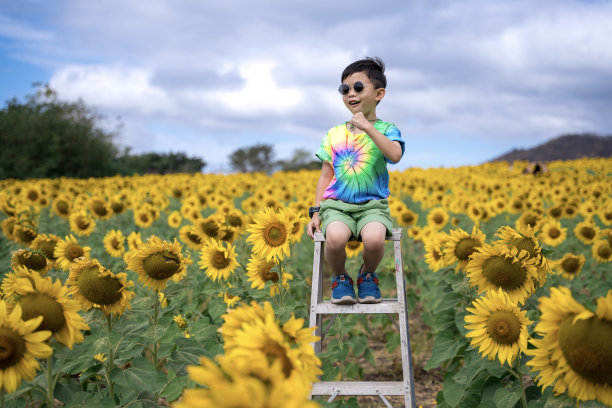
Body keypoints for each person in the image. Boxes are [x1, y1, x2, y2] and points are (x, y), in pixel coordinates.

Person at [306, 57, 405, 304]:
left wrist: (368, 128)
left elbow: (394, 155)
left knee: (373, 239)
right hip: (337, 205)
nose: (351, 93)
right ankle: (340, 278)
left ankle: (367, 275)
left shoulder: (387, 129)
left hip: (373, 206)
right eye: (345, 89)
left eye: (358, 87)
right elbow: (325, 176)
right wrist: (315, 212)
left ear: (379, 93)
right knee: (336, 238)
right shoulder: (334, 134)